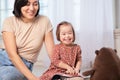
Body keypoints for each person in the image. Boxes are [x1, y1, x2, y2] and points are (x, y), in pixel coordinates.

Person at [0, 0, 54, 80]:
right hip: (4, 58)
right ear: (19, 5)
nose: (32, 8)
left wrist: (64, 67)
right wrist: (33, 78)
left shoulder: (44, 21)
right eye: (27, 4)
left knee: (7, 77)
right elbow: (12, 55)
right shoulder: (9, 21)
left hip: (23, 64)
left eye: (35, 4)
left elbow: (53, 53)